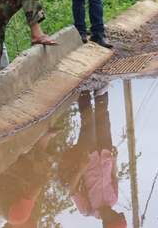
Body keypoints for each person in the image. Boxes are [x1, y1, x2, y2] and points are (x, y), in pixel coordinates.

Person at [57, 90, 127, 228]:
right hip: (105, 154)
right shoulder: (113, 200)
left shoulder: (87, 209)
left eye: (111, 216)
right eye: (116, 214)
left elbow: (72, 188)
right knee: (103, 117)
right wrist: (114, 160)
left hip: (88, 156)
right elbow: (113, 176)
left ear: (105, 222)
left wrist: (81, 169)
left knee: (88, 120)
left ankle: (83, 88)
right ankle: (101, 87)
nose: (112, 211)